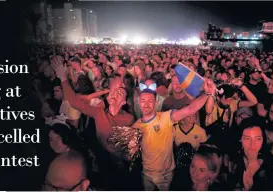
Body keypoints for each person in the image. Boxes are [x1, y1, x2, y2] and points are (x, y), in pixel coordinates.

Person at [52, 56, 135, 190]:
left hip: (121, 167)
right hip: (103, 165)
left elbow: (133, 149)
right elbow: (74, 101)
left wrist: (120, 154)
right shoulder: (99, 112)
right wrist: (63, 77)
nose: (121, 88)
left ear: (124, 102)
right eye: (118, 87)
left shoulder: (129, 118)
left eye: (122, 90)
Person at [132, 78, 216, 190]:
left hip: (166, 176)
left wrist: (207, 93)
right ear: (139, 102)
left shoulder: (166, 117)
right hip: (146, 174)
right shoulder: (135, 126)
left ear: (156, 103)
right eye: (143, 101)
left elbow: (190, 109)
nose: (146, 104)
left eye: (150, 101)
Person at [228, 118, 273, 190]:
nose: (252, 145)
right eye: (247, 138)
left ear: (263, 140)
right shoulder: (231, 163)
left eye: (258, 139)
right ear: (240, 139)